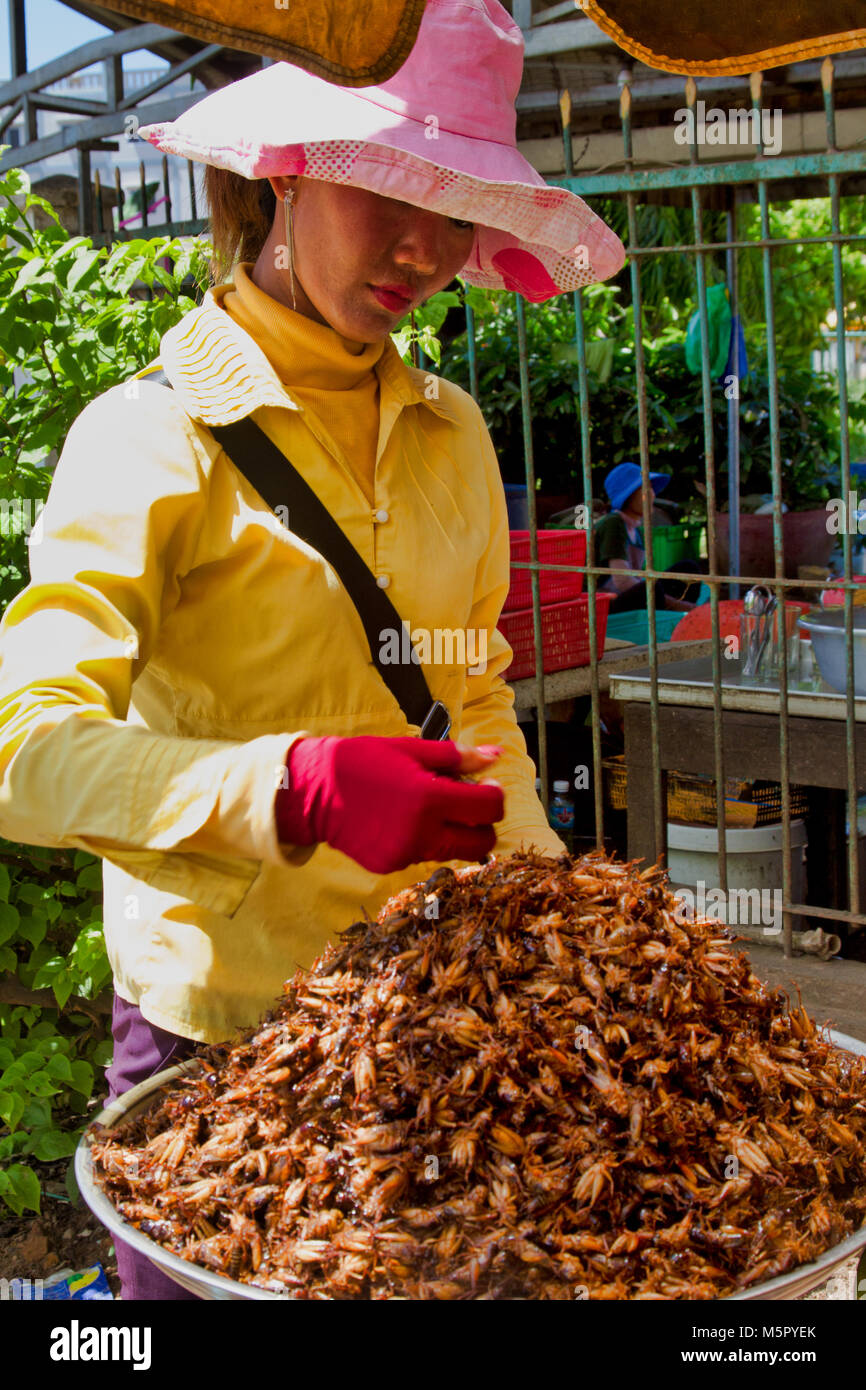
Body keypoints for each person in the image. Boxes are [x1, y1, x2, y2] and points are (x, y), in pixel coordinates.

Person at [0, 0, 625, 1299]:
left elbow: (468, 701)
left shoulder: (451, 431)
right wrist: (289, 785)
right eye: (384, 184)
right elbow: (28, 751)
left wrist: (557, 903)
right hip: (224, 1038)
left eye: (456, 206)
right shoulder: (155, 437)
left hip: (431, 1017)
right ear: (279, 170)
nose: (423, 243)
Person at [594, 462, 701, 613]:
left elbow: (637, 577)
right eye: (645, 488)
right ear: (628, 495)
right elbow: (622, 580)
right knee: (651, 590)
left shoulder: (636, 530)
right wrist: (674, 604)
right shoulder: (614, 522)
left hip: (631, 595)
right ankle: (684, 613)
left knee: (688, 569)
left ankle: (678, 618)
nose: (652, 494)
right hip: (608, 602)